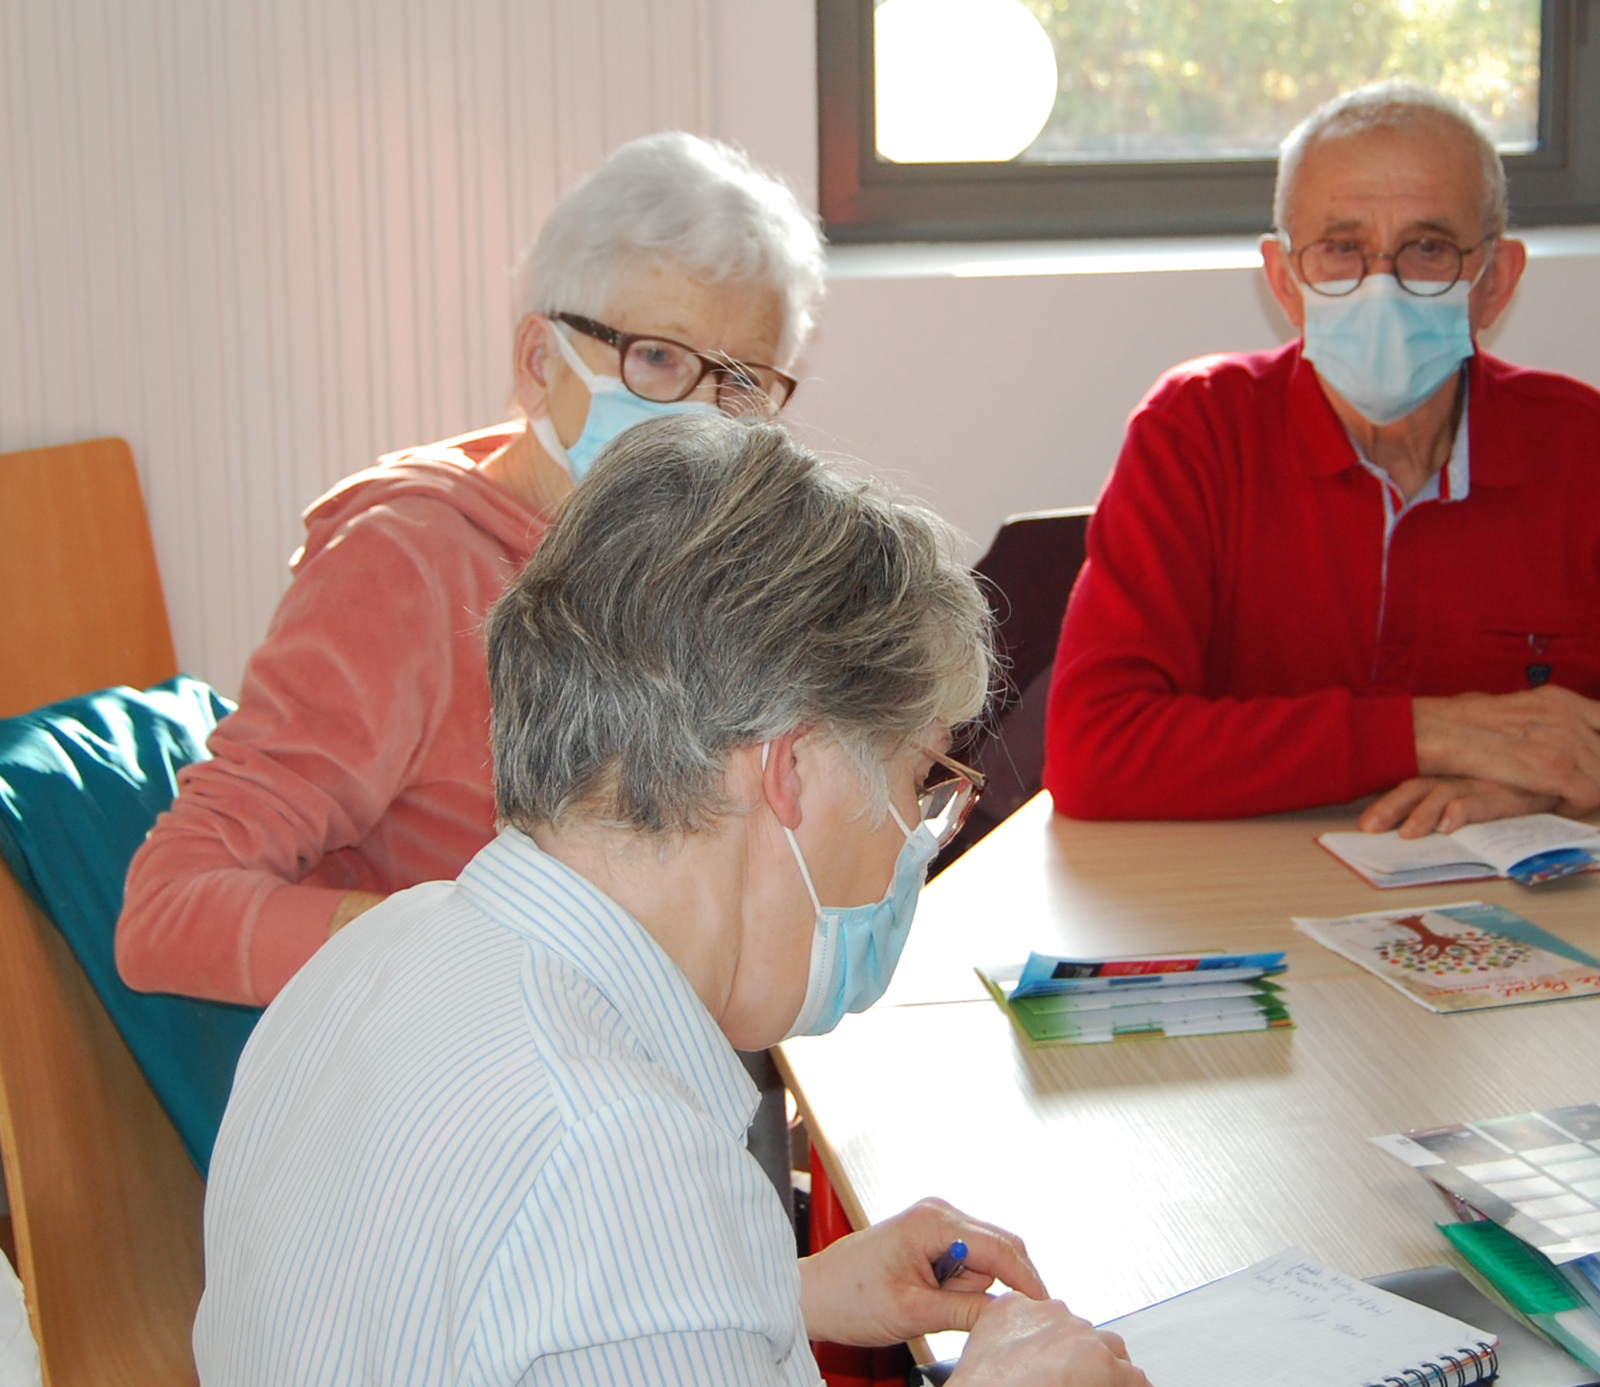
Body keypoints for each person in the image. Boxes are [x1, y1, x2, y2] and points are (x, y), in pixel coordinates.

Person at [196, 417, 1147, 1386]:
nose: (914, 833)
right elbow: (591, 1243)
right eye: (916, 780)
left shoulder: (376, 951)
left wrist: (784, 1290)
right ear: (795, 768)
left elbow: (478, 1311)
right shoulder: (625, 1159)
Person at [1045, 82, 1600, 833]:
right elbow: (1093, 750)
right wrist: (1436, 730)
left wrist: (1562, 771)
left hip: (1517, 917)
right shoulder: (1196, 431)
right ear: (1284, 278)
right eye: (1340, 248)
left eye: (1428, 248)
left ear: (1496, 280)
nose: (1382, 283)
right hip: (1240, 904)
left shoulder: (1583, 447)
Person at [117, 131, 822, 1006]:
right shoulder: (404, 565)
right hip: (466, 1085)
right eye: (657, 357)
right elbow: (169, 911)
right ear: (539, 363)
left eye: (741, 383)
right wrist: (474, 949)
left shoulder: (682, 558)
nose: (698, 416)